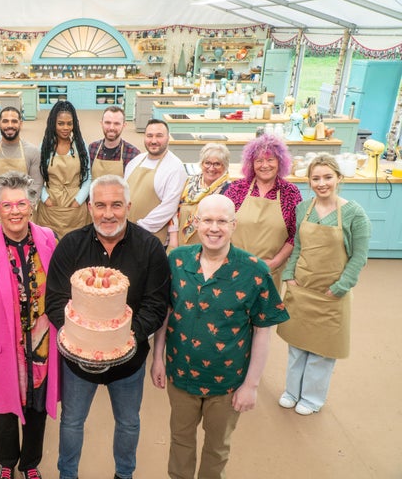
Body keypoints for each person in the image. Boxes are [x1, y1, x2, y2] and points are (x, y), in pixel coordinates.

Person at [151, 194, 289, 479]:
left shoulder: (254, 270)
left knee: (217, 449)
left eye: (222, 221)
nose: (214, 228)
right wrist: (157, 358)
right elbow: (164, 313)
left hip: (227, 381)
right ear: (196, 223)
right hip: (181, 374)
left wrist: (251, 385)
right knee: (180, 441)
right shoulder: (176, 261)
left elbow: (263, 330)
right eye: (208, 221)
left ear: (234, 224)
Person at [46, 174, 170, 479]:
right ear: (89, 207)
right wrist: (86, 337)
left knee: (128, 422)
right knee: (72, 421)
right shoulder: (70, 246)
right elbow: (54, 301)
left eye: (116, 205)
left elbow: (156, 303)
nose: (108, 213)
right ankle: (67, 474)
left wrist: (125, 335)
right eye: (100, 205)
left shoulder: (150, 248)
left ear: (128, 205)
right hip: (78, 362)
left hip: (129, 361)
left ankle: (124, 474)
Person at [0, 171, 58, 479]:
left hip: (42, 348)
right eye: (7, 205)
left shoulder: (48, 239)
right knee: (3, 413)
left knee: (37, 410)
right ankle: (6, 463)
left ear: (31, 205)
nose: (15, 211)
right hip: (2, 351)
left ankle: (30, 464)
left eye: (21, 203)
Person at [277, 154, 371, 415]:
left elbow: (359, 257)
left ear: (339, 178)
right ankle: (292, 391)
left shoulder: (354, 214)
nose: (322, 183)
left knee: (322, 351)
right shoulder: (303, 209)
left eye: (327, 177)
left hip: (332, 293)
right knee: (296, 345)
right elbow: (298, 246)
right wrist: (289, 276)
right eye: (316, 178)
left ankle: (311, 398)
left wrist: (340, 287)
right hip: (301, 288)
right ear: (309, 181)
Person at [223, 134, 302, 289]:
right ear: (251, 164)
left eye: (270, 159)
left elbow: (295, 235)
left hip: (271, 271)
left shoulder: (290, 193)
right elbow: (221, 224)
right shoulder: (237, 188)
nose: (264, 165)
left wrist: (276, 261)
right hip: (235, 266)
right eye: (259, 160)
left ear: (280, 162)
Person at [0, 106, 43, 234]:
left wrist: (24, 210)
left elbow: (37, 184)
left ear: (20, 123)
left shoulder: (32, 151)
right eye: (5, 121)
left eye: (14, 121)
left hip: (24, 216)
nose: (10, 125)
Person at [123, 119, 187, 244]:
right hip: (127, 232)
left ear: (168, 138)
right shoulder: (135, 161)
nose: (153, 141)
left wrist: (140, 227)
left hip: (151, 237)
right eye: (149, 136)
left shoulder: (175, 167)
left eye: (159, 136)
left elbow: (169, 207)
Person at [36, 100, 91, 239]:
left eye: (69, 123)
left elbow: (88, 176)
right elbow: (37, 177)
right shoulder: (44, 146)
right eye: (60, 123)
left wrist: (78, 200)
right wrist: (45, 198)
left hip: (75, 207)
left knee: (76, 248)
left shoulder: (80, 145)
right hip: (50, 206)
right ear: (53, 123)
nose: (65, 128)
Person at [168, 143, 231, 249]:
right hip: (179, 243)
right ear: (201, 164)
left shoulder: (229, 190)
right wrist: (173, 240)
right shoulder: (188, 183)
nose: (211, 168)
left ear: (224, 166)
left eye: (217, 164)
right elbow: (173, 212)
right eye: (207, 163)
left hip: (211, 247)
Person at [88, 105, 140, 179]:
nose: (111, 128)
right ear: (101, 123)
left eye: (116, 123)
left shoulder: (133, 154)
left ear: (124, 125)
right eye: (107, 123)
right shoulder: (92, 149)